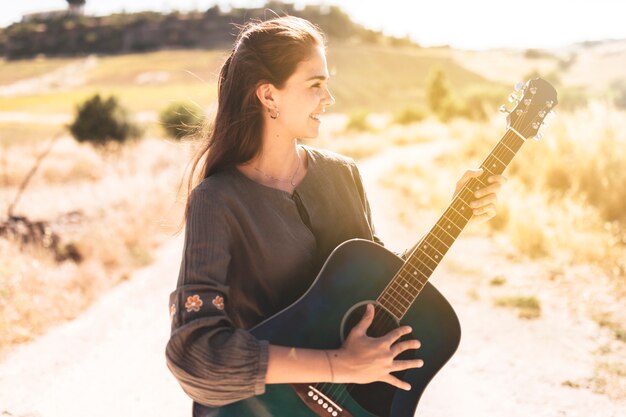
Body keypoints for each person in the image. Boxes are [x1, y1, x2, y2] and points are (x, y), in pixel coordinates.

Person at [165, 15, 506, 416]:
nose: (329, 98)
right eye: (315, 85)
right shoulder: (217, 201)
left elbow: (383, 288)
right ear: (268, 96)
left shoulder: (343, 174)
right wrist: (340, 365)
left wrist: (455, 215)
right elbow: (196, 352)